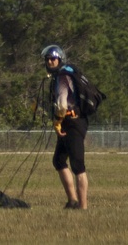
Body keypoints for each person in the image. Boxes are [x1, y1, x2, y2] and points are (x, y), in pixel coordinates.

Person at [42, 44, 88, 210]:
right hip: (68, 121)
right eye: (47, 59)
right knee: (59, 160)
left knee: (78, 165)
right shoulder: (60, 75)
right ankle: (72, 201)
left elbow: (62, 103)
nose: (50, 61)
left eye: (53, 58)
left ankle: (83, 207)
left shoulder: (62, 76)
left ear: (59, 59)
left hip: (73, 122)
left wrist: (57, 121)